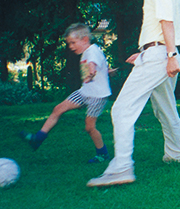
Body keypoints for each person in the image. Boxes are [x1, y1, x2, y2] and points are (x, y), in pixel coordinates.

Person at [87, 0, 180, 187]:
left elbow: (167, 22)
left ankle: (121, 167)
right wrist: (144, 52)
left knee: (122, 110)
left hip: (162, 56)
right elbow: (160, 27)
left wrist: (170, 56)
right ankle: (177, 154)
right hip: (159, 54)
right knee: (165, 108)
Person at [19, 23, 112, 163]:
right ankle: (37, 138)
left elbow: (92, 65)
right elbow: (101, 65)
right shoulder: (89, 51)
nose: (71, 47)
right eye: (69, 43)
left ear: (85, 39)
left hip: (97, 96)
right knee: (58, 109)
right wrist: (106, 71)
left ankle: (103, 154)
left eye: (73, 43)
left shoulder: (92, 51)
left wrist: (91, 72)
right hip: (85, 91)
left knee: (90, 127)